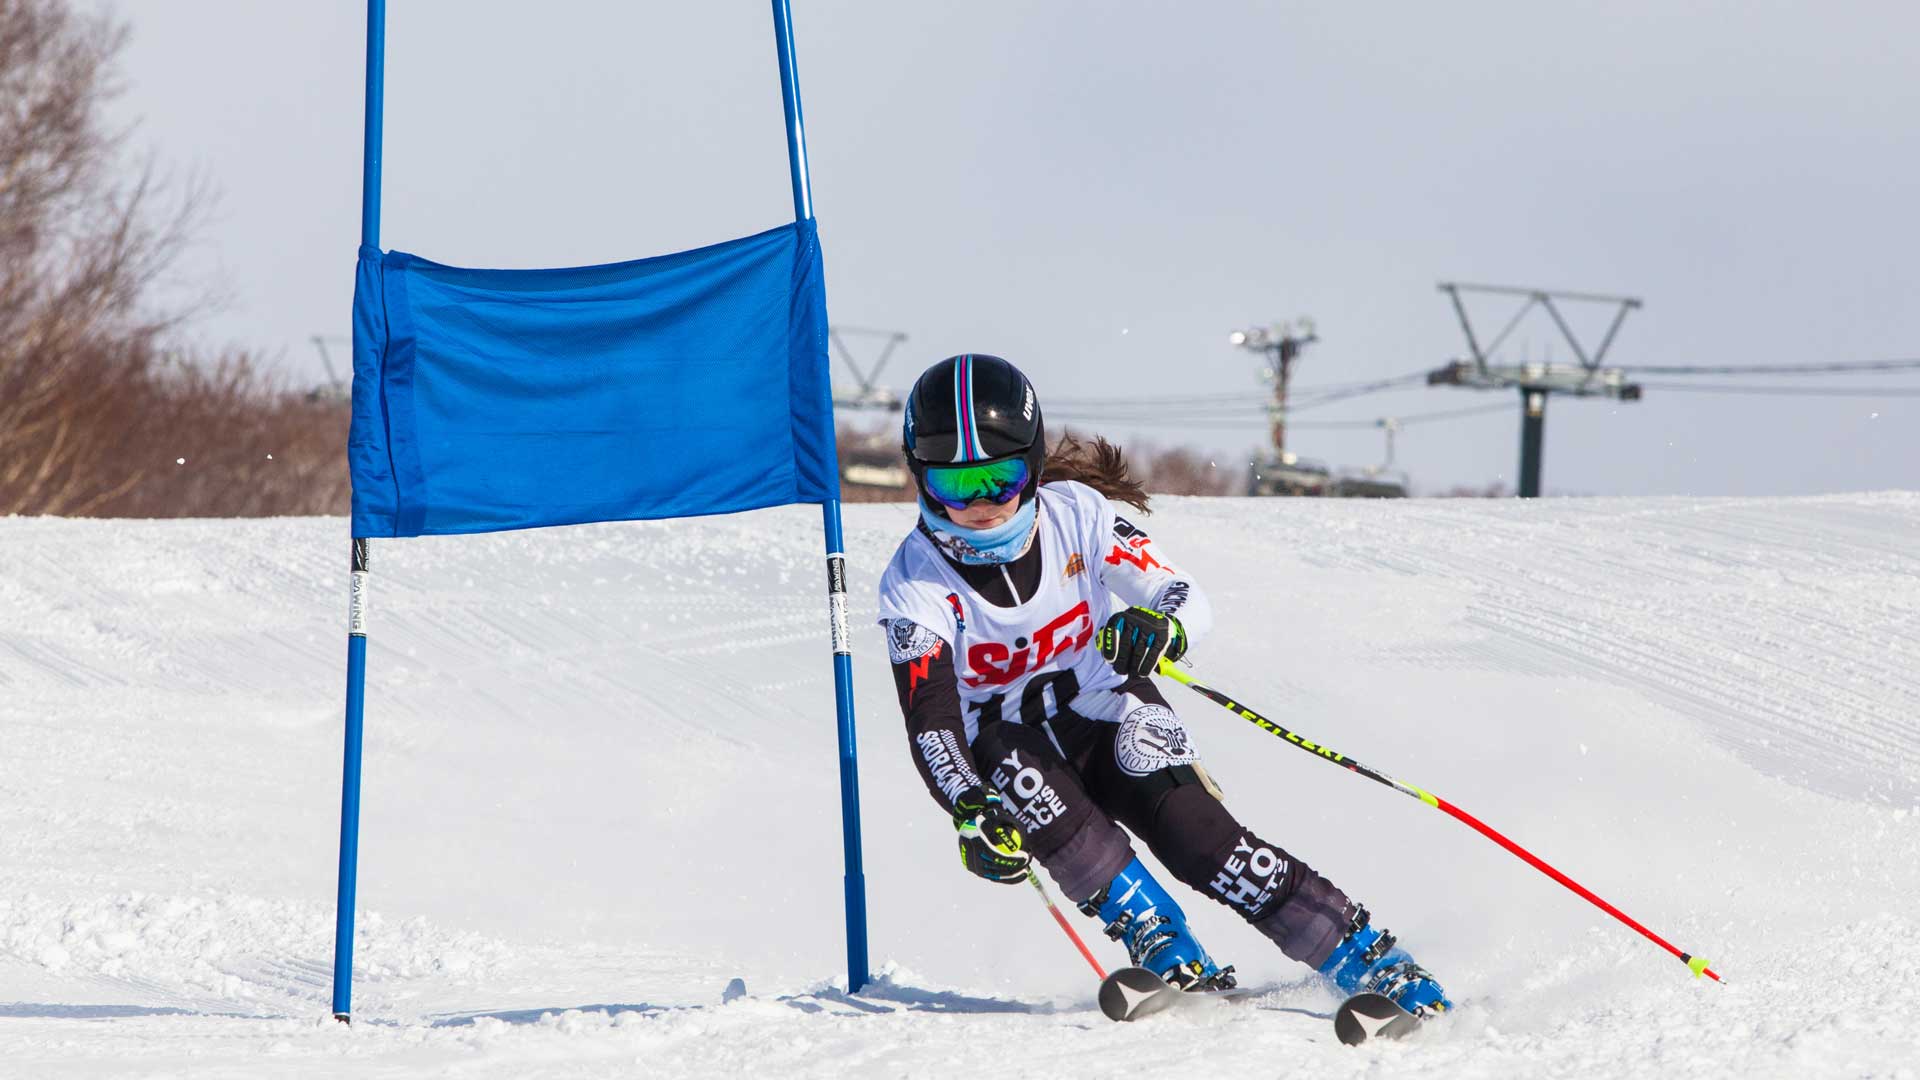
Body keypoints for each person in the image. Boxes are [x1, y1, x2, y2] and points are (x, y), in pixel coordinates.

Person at [874, 354, 1450, 1014]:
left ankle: (1363, 953)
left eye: (999, 479)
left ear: (1030, 469)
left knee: (1200, 842)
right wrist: (971, 810)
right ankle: (1165, 944)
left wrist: (1161, 626)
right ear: (920, 477)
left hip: (1105, 702)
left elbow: (1183, 595)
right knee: (1019, 770)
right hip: (1009, 741)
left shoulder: (1079, 518)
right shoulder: (914, 584)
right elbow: (934, 723)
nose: (979, 506)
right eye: (956, 484)